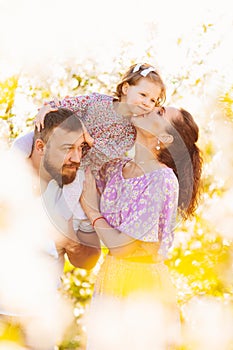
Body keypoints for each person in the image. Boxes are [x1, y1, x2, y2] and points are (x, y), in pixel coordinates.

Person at [80, 106, 203, 349]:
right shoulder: (116, 169)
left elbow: (122, 247)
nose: (150, 107)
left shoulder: (162, 180)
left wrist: (92, 210)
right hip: (111, 277)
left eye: (160, 113)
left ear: (165, 138)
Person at [9, 107, 101, 350]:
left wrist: (69, 241)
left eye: (80, 149)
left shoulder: (73, 185)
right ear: (39, 147)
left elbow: (89, 260)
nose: (77, 158)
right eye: (66, 149)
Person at [15, 63, 166, 174]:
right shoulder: (98, 101)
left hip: (79, 165)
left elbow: (107, 154)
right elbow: (70, 104)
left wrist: (86, 136)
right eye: (143, 95)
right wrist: (48, 107)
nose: (147, 103)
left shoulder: (131, 133)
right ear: (126, 89)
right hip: (56, 140)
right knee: (21, 145)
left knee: (71, 194)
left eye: (153, 100)